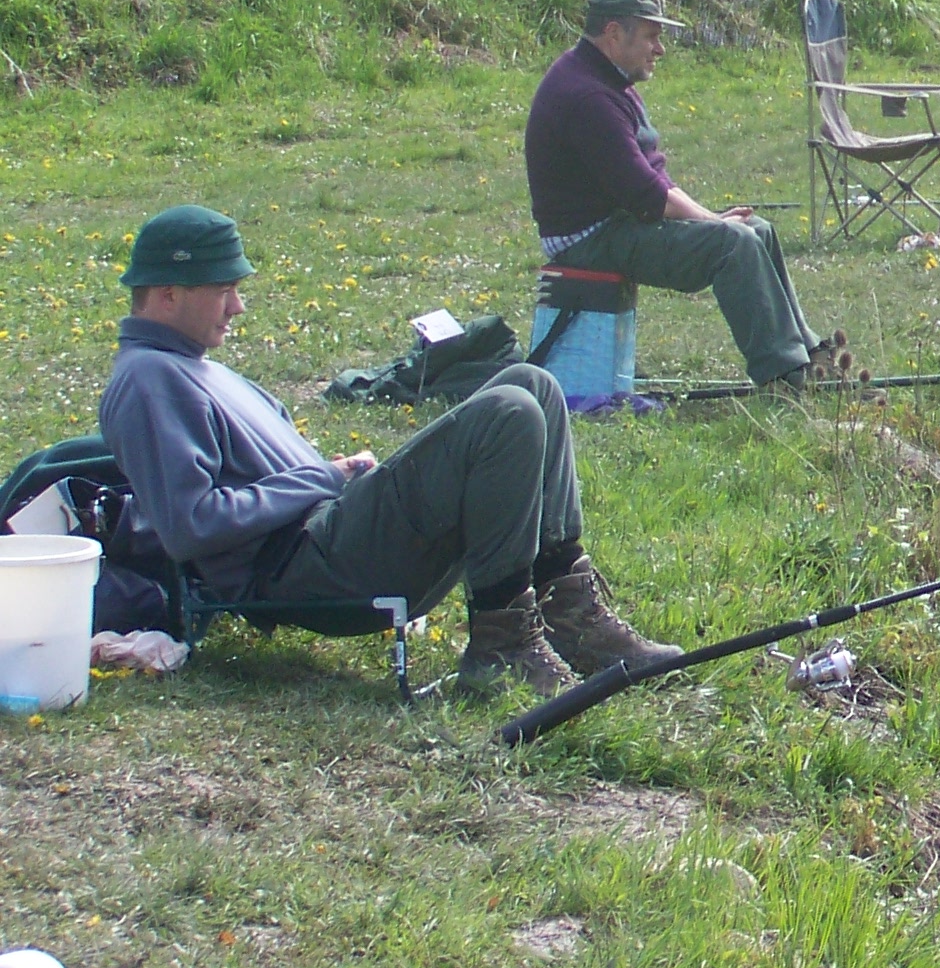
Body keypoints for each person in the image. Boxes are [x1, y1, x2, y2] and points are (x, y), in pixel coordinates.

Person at [97, 206, 677, 697]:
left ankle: (573, 616)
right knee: (507, 414)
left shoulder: (196, 368)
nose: (238, 307)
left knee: (535, 386)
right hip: (301, 570)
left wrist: (335, 480)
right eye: (224, 290)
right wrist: (325, 477)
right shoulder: (149, 381)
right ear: (169, 293)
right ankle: (501, 646)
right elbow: (189, 527)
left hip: (329, 534)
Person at [525, 0, 847, 389]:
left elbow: (651, 177)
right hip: (587, 239)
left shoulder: (604, 79)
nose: (659, 49)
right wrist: (715, 222)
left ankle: (808, 353)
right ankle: (783, 376)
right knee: (734, 243)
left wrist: (715, 219)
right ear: (613, 34)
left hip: (617, 220)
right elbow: (649, 195)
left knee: (757, 230)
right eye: (651, 37)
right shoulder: (588, 96)